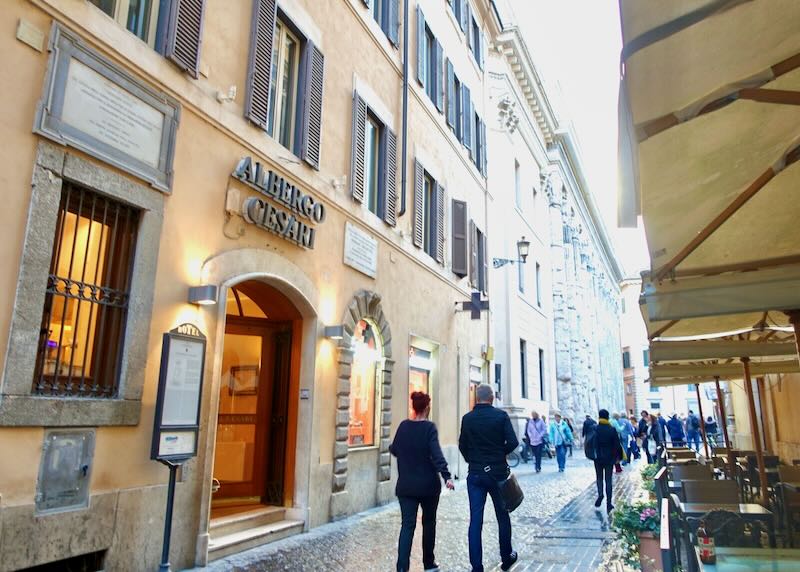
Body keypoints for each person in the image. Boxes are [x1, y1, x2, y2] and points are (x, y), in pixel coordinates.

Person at [390, 391, 454, 572]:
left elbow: (395, 449)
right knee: (429, 523)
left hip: (406, 486)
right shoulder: (429, 428)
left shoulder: (403, 426)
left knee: (407, 526)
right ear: (427, 407)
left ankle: (402, 568)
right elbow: (436, 453)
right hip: (428, 486)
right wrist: (446, 476)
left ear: (414, 407)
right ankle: (428, 564)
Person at [458, 384, 519, 572]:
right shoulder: (501, 416)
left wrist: (473, 460)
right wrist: (500, 455)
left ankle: (477, 566)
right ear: (492, 398)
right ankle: (506, 557)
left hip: (476, 474)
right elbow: (513, 442)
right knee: (503, 516)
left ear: (477, 398)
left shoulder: (467, 419)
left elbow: (462, 445)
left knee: (475, 521)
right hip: (498, 474)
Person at [592, 409, 624, 513]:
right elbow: (617, 445)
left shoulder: (595, 429)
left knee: (599, 477)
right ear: (607, 417)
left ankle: (600, 494)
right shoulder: (612, 429)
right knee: (608, 480)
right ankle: (609, 503)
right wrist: (618, 457)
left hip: (598, 458)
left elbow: (592, 443)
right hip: (609, 458)